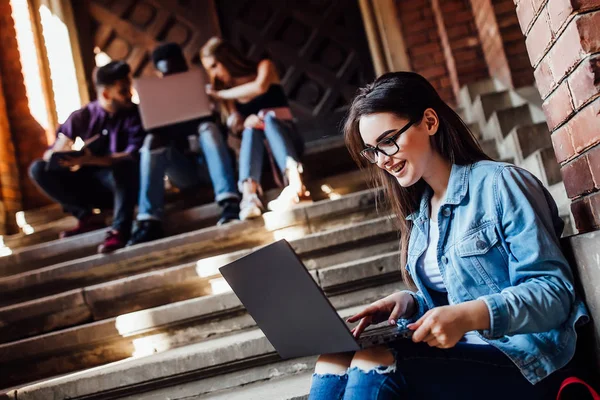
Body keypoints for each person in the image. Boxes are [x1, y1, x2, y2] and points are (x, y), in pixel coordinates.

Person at [307, 72, 590, 400]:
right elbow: (459, 292)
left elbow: (554, 294)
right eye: (372, 151)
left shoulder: (501, 185)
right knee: (333, 359)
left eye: (388, 140)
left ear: (429, 121)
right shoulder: (422, 212)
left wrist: (470, 315)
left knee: (376, 360)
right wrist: (412, 303)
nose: (383, 160)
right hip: (468, 359)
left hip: (528, 362)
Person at [127, 43, 240, 246]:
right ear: (159, 74)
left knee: (207, 128)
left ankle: (229, 202)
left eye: (177, 72)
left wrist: (210, 108)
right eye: (167, 75)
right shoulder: (155, 102)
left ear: (185, 67)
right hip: (183, 172)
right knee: (151, 141)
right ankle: (149, 221)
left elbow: (225, 131)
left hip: (209, 165)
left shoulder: (205, 90)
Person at [29, 61, 145, 254]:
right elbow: (51, 153)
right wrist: (65, 158)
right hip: (89, 185)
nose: (129, 95)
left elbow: (132, 155)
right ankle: (87, 217)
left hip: (123, 186)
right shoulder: (82, 117)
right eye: (123, 91)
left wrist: (89, 160)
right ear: (106, 94)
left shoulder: (136, 114)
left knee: (123, 168)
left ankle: (119, 229)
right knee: (38, 168)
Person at [200, 37, 310, 221]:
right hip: (260, 153)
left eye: (214, 66)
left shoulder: (264, 67)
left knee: (269, 119)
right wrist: (243, 122)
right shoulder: (228, 92)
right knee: (252, 128)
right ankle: (249, 196)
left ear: (227, 59)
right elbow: (237, 128)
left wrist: (220, 95)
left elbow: (259, 87)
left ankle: (296, 185)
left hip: (287, 140)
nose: (214, 74)